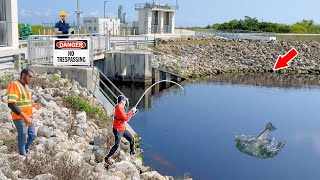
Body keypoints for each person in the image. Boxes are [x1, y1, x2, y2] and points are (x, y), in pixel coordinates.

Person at [7, 68, 41, 156]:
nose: (31, 78)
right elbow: (11, 104)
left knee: (32, 135)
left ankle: (24, 150)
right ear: (23, 75)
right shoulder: (15, 85)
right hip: (20, 118)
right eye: (29, 76)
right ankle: (22, 156)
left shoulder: (24, 86)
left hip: (28, 116)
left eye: (32, 77)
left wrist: (32, 104)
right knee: (23, 138)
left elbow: (22, 101)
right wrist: (25, 117)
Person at [104, 95, 138, 165]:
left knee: (132, 139)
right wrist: (132, 111)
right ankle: (107, 157)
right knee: (116, 145)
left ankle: (132, 152)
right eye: (125, 100)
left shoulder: (119, 107)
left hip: (122, 129)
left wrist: (132, 112)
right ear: (122, 101)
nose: (125, 102)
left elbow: (124, 116)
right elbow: (126, 118)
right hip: (118, 130)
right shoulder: (119, 108)